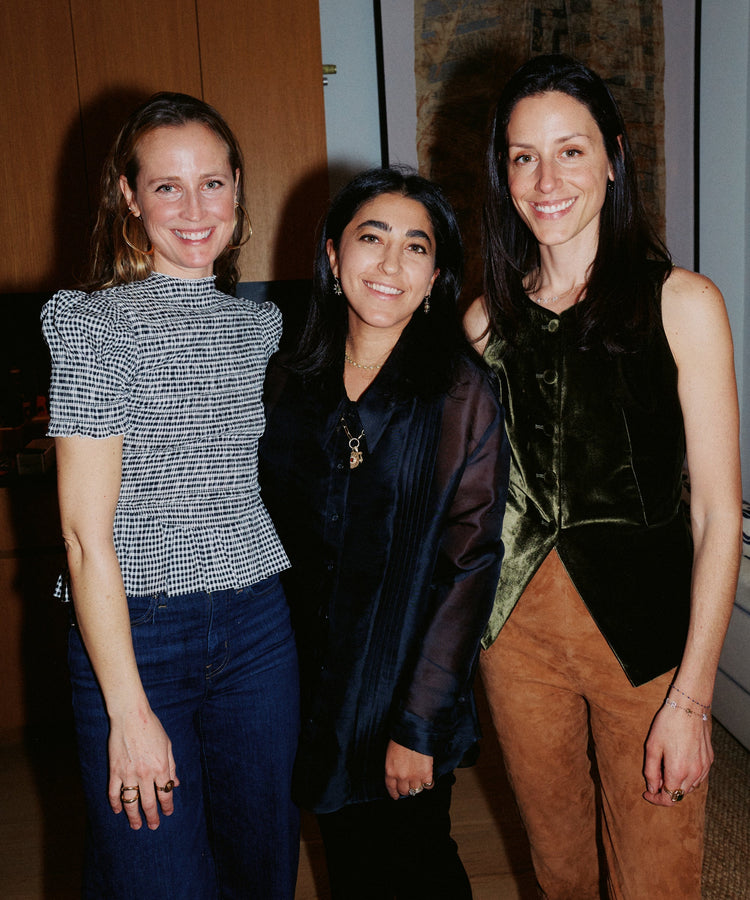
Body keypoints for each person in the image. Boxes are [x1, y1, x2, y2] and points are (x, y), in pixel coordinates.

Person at [464, 54, 742, 899]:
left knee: (656, 870)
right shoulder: (484, 322)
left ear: (615, 157)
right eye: (523, 156)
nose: (545, 180)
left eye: (571, 151)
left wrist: (692, 702)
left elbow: (719, 517)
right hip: (517, 642)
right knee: (559, 870)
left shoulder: (683, 303)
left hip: (646, 642)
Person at [41, 92, 299, 899]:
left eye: (212, 184)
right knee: (157, 879)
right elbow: (86, 539)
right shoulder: (91, 324)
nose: (195, 209)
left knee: (263, 868)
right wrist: (128, 709)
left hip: (258, 625)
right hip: (138, 634)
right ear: (128, 196)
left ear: (237, 189)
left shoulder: (258, 329)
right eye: (166, 187)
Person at [259, 167, 509, 899]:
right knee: (352, 868)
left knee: (416, 866)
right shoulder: (289, 378)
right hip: (306, 677)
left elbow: (471, 562)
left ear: (436, 277)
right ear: (334, 257)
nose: (392, 265)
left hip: (401, 684)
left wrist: (420, 724)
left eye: (417, 247)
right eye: (372, 239)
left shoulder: (460, 390)